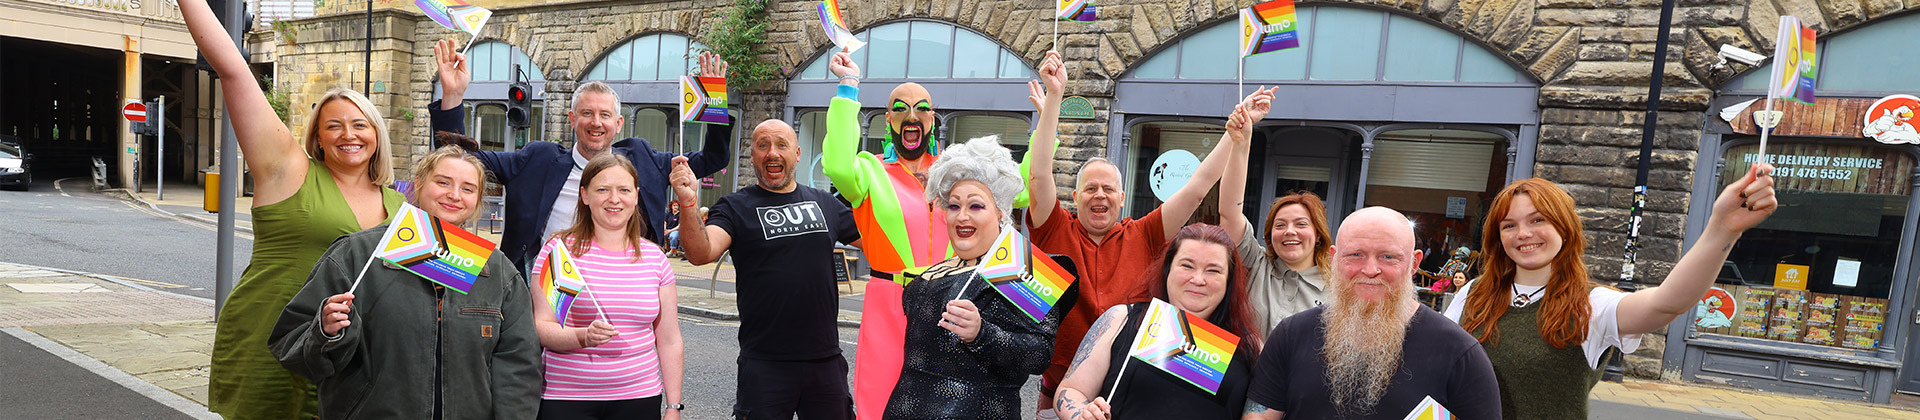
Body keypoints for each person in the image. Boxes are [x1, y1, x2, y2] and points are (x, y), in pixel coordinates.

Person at [183, 0, 427, 416]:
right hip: (271, 337)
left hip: (349, 357)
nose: (347, 134)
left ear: (377, 135)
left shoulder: (400, 206)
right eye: (333, 125)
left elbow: (453, 204)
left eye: (360, 124)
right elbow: (234, 71)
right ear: (317, 137)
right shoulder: (288, 171)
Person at [1442, 168, 1776, 419]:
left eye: (1538, 220)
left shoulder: (1592, 304)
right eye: (1509, 225)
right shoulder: (1473, 294)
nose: (1523, 233)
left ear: (1564, 227)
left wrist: (1722, 228)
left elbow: (1667, 303)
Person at [823, 46, 1044, 417]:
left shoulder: (955, 171)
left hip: (950, 297)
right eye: (900, 108)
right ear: (888, 121)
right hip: (888, 300)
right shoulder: (869, 170)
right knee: (879, 400)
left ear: (931, 119)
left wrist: (1045, 122)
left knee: (946, 401)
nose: (912, 115)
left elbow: (1021, 186)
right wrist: (848, 88)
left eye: (921, 108)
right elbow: (838, 165)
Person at [1024, 52, 1246, 417]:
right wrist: (1054, 100)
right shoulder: (1054, 229)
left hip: (1132, 383)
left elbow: (1196, 189)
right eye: (1090, 188)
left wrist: (1232, 137)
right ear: (1075, 196)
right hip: (1063, 388)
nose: (1100, 195)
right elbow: (1039, 175)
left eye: (1108, 189)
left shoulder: (1145, 233)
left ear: (1122, 198)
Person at [269, 145, 542, 419]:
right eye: (443, 182)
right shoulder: (357, 254)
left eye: (468, 188)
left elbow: (519, 367)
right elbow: (292, 345)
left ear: (478, 199)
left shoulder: (499, 272)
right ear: (419, 184)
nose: (454, 195)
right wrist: (326, 332)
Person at [434, 52, 734, 272]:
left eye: (605, 115)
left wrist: (713, 99)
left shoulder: (643, 159)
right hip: (542, 291)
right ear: (572, 119)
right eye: (587, 113)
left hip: (619, 287)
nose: (596, 122)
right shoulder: (537, 159)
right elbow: (459, 159)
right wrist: (453, 95)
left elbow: (713, 158)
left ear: (618, 124)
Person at [670, 119, 861, 419]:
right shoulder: (735, 206)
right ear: (753, 155)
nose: (772, 153)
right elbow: (700, 253)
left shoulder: (825, 203)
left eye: (781, 145)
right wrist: (688, 201)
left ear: (797, 153)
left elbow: (880, 245)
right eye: (763, 145)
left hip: (825, 362)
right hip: (764, 364)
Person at [1245, 207, 1501, 420]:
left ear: (1414, 262)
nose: (1370, 270)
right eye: (1356, 255)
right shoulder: (1291, 335)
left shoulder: (1460, 354)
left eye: (1388, 257)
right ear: (1334, 258)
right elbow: (1259, 416)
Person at [884, 135, 1072, 419]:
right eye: (954, 206)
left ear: (999, 213)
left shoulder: (1018, 266)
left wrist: (981, 333)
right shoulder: (934, 271)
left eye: (975, 206)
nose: (962, 216)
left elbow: (1039, 354)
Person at [530, 153, 685, 419]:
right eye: (602, 189)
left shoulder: (655, 258)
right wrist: (582, 337)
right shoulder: (558, 252)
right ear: (585, 195)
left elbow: (669, 340)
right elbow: (541, 327)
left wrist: (673, 407)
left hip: (639, 397)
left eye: (624, 190)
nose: (614, 199)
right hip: (566, 397)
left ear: (635, 196)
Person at [1053, 224, 1262, 420]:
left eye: (1213, 270)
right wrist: (1082, 413)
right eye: (1187, 265)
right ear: (1167, 269)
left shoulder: (1250, 348)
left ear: (1229, 280)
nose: (1198, 279)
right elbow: (1072, 390)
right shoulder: (1120, 320)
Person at [1215, 87, 1337, 333]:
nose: (1289, 231)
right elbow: (1229, 212)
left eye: (1301, 224)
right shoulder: (1255, 264)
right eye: (1280, 225)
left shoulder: (1337, 289)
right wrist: (1241, 142)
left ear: (1318, 235)